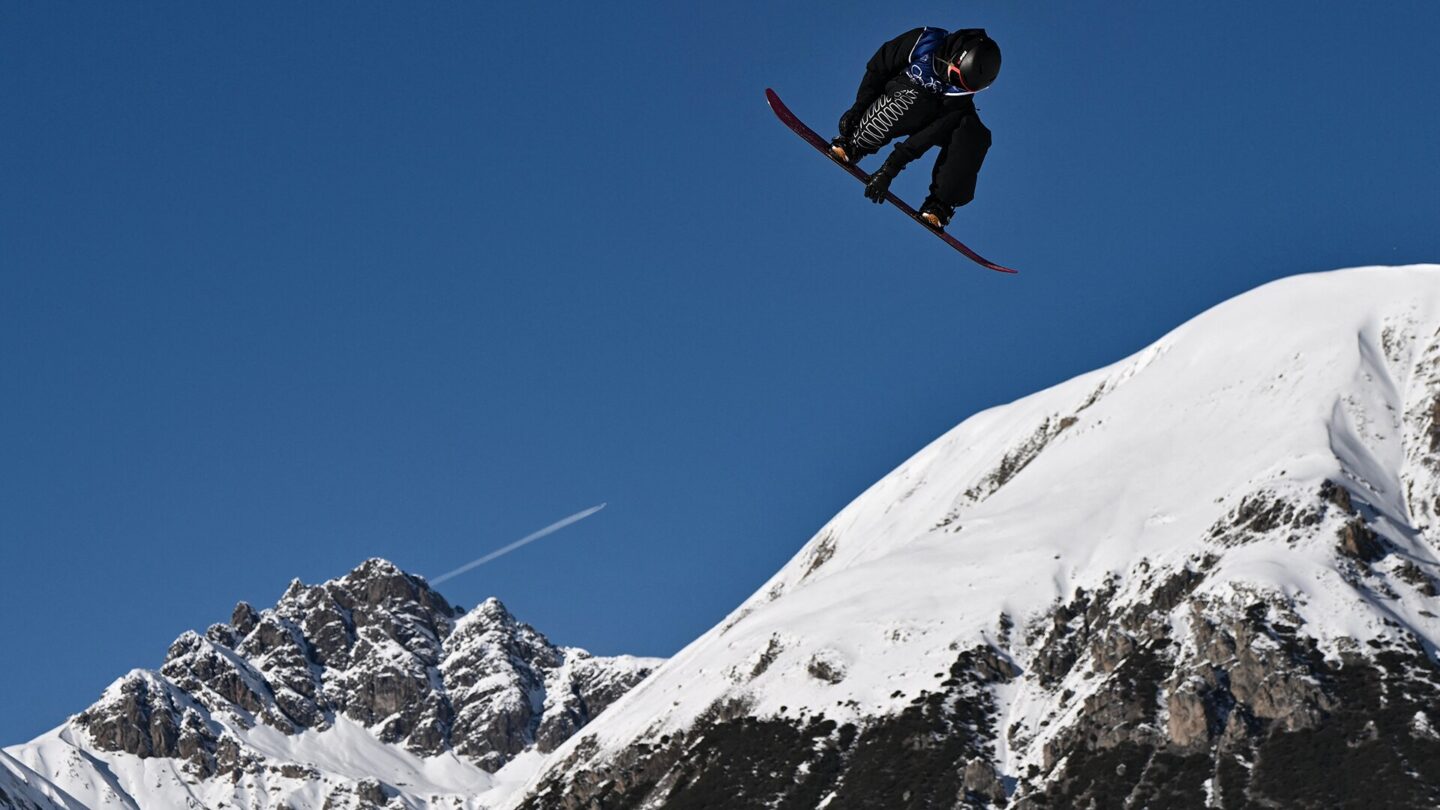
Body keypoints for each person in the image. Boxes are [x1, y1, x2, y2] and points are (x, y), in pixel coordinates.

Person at [830, 27, 1001, 230]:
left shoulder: (959, 94)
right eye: (956, 78)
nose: (954, 85)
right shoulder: (924, 42)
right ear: (955, 58)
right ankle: (856, 144)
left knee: (973, 132)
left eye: (964, 86)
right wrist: (857, 110)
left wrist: (889, 170)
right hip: (903, 95)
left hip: (935, 118)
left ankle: (939, 205)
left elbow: (931, 133)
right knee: (913, 101)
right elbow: (878, 68)